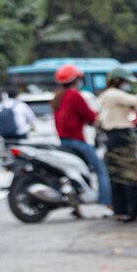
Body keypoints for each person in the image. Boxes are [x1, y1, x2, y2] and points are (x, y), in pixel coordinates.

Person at [50, 65, 111, 210]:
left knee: (76, 173)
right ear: (76, 79)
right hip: (76, 141)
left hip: (63, 141)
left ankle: (76, 207)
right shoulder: (74, 95)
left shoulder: (58, 97)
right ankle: (107, 203)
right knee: (101, 170)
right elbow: (89, 115)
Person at [96, 66, 137, 222]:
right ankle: (134, 211)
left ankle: (121, 210)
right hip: (122, 136)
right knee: (129, 174)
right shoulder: (115, 94)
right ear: (119, 81)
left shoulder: (105, 95)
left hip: (111, 138)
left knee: (116, 175)